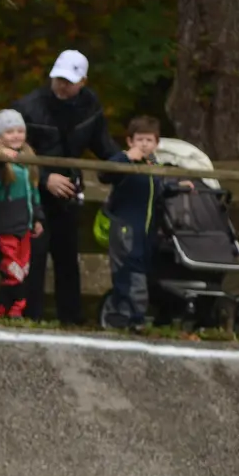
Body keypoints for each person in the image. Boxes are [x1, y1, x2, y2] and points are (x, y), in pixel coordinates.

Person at [12, 50, 118, 324]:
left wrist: (130, 164)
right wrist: (46, 177)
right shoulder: (29, 106)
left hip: (68, 191)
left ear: (82, 81)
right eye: (58, 78)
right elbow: (16, 149)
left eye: (68, 81)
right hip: (34, 191)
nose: (61, 85)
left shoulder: (90, 106)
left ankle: (71, 321)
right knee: (34, 256)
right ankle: (28, 317)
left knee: (68, 258)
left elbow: (104, 146)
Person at [98, 116, 189, 330]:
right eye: (140, 140)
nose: (144, 144)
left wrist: (177, 185)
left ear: (156, 143)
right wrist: (125, 158)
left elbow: (158, 190)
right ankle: (126, 317)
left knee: (142, 271)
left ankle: (131, 316)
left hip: (147, 231)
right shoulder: (125, 162)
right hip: (125, 227)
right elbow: (104, 174)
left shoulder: (154, 166)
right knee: (129, 272)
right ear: (130, 141)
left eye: (149, 140)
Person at [0, 110, 45, 318]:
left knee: (22, 271)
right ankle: (12, 310)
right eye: (10, 132)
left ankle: (3, 312)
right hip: (4, 226)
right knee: (12, 272)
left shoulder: (27, 156)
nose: (16, 136)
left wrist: (38, 217)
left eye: (20, 131)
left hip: (24, 225)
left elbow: (33, 191)